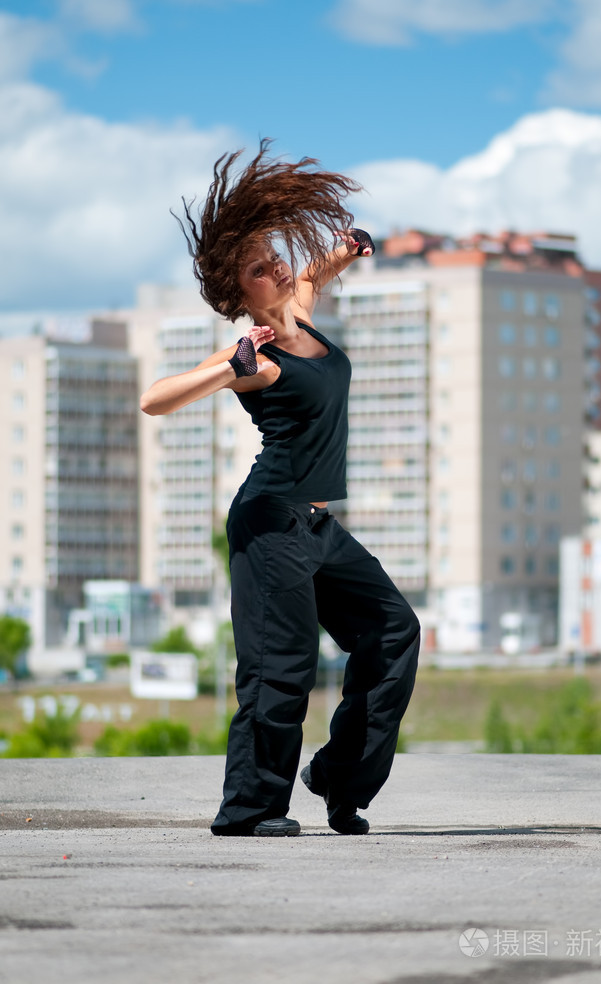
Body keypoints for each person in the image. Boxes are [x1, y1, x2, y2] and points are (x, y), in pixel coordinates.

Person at [140, 142, 420, 837]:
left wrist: (345, 251)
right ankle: (250, 807)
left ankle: (338, 778)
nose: (279, 268)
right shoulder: (257, 355)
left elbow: (313, 274)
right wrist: (226, 368)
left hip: (317, 526)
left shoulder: (302, 314)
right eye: (260, 269)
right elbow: (155, 399)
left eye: (275, 258)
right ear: (242, 296)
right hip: (269, 523)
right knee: (281, 667)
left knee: (393, 631)